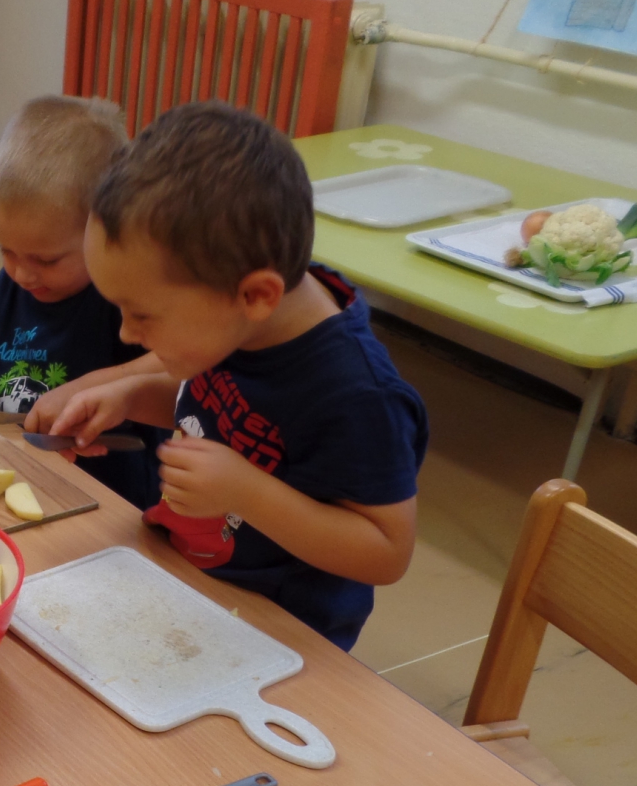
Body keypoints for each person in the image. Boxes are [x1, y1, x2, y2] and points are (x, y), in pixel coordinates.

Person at [49, 102, 428, 650]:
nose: (127, 334)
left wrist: (246, 494)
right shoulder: (235, 320)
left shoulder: (357, 396)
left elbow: (387, 552)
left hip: (278, 634)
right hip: (187, 582)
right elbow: (210, 410)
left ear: (255, 295)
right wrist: (129, 396)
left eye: (143, 315)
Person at [0, 96, 164, 509]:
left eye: (46, 260)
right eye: (6, 251)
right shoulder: (17, 283)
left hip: (110, 500)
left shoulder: (123, 297)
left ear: (108, 231)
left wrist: (90, 388)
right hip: (26, 475)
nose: (23, 273)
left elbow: (174, 365)